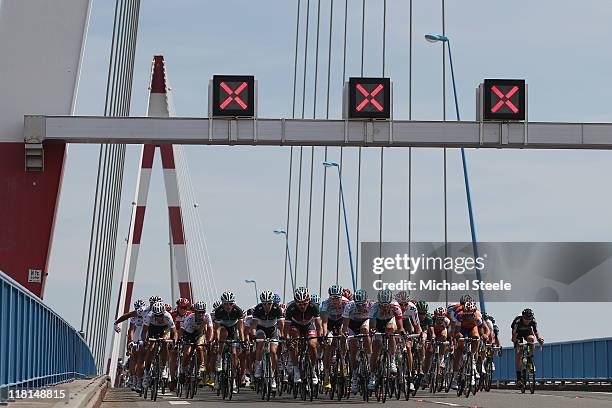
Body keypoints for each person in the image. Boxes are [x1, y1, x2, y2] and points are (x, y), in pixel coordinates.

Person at [283, 286, 323, 385]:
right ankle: (296, 370)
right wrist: (287, 338)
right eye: (299, 304)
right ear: (295, 302)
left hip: (309, 325)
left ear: (308, 301)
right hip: (295, 325)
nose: (302, 306)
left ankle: (312, 370)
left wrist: (320, 336)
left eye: (304, 304)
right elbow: (286, 327)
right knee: (294, 342)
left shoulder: (314, 307)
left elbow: (318, 324)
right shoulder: (291, 308)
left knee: (312, 345)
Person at [368, 289, 405, 391]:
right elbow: (372, 327)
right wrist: (373, 331)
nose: (384, 307)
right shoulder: (374, 307)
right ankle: (372, 376)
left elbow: (400, 326)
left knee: (390, 331)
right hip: (378, 323)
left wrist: (401, 332)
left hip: (390, 321)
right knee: (375, 349)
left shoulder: (396, 306)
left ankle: (392, 360)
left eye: (386, 305)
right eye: (382, 305)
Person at [251, 290, 285, 391]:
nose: (267, 306)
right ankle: (258, 364)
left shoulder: (276, 308)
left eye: (269, 303)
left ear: (272, 302)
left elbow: (281, 325)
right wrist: (253, 336)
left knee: (273, 351)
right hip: (261, 328)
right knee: (260, 342)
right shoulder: (258, 309)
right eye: (264, 304)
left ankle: (273, 376)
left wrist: (282, 335)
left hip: (272, 329)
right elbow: (253, 326)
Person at [212, 291, 246, 392]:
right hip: (223, 328)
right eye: (225, 304)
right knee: (223, 333)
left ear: (233, 303)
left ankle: (233, 379)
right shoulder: (219, 311)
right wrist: (217, 341)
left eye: (230, 303)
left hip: (234, 329)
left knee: (234, 353)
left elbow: (240, 329)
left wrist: (243, 341)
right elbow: (217, 329)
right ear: (222, 303)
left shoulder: (237, 311)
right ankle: (219, 358)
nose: (228, 306)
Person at [341, 288, 371, 394]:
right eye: (358, 305)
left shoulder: (371, 304)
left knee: (365, 330)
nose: (361, 307)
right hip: (352, 324)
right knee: (353, 348)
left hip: (366, 322)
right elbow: (345, 326)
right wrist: (345, 334)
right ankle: (354, 376)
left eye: (363, 305)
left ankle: (369, 357)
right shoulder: (349, 306)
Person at [141, 302, 178, 387]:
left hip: (164, 329)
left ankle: (163, 368)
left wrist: (174, 341)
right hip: (152, 329)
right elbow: (144, 332)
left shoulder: (168, 316)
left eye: (160, 315)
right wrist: (145, 341)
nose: (159, 317)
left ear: (163, 313)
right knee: (151, 348)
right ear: (153, 314)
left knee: (165, 343)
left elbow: (174, 332)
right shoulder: (149, 316)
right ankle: (146, 373)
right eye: (156, 316)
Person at [321, 285, 349, 390]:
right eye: (333, 298)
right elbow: (324, 322)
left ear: (341, 296)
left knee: (342, 336)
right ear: (330, 297)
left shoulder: (346, 303)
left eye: (337, 297)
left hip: (342, 321)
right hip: (329, 322)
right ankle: (327, 376)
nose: (335, 300)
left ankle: (343, 360)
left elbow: (346, 322)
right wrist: (325, 334)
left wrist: (344, 332)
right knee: (329, 344)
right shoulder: (326, 303)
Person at [179, 301, 213, 386]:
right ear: (195, 312)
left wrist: (209, 341)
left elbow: (210, 330)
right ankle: (183, 371)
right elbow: (182, 331)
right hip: (188, 334)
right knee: (187, 353)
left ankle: (199, 370)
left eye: (203, 312)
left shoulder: (207, 316)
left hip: (199, 334)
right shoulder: (190, 318)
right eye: (199, 312)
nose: (201, 314)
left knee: (199, 347)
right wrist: (180, 340)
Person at [511, 308, 543, 388]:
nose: (528, 321)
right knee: (519, 354)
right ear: (523, 317)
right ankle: (518, 378)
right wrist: (516, 342)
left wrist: (539, 339)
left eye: (529, 319)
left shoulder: (533, 321)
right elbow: (513, 336)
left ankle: (529, 359)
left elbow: (536, 332)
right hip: (518, 333)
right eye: (526, 319)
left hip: (527, 332)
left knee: (531, 340)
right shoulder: (517, 321)